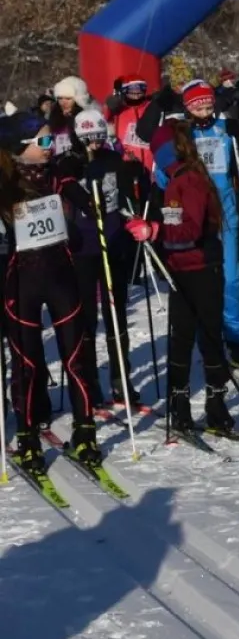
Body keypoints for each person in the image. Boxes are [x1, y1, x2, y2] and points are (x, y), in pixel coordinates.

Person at [3, 115, 103, 470]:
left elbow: (75, 188)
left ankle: (86, 432)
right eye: (42, 143)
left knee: (77, 357)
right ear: (22, 147)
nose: (50, 149)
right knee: (27, 363)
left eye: (51, 142)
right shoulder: (7, 183)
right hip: (22, 280)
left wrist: (86, 205)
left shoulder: (57, 174)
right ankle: (28, 437)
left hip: (61, 275)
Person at [129, 122, 235, 433]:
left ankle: (216, 404)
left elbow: (188, 230)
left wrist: (155, 230)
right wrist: (152, 228)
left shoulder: (187, 180)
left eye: (155, 153)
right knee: (182, 338)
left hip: (201, 268)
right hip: (182, 269)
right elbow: (177, 224)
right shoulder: (177, 180)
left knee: (207, 337)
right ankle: (180, 405)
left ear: (165, 152)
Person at [73, 107, 148, 411]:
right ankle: (88, 381)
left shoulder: (113, 161)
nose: (94, 144)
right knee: (87, 318)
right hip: (83, 249)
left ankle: (121, 379)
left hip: (112, 243)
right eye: (88, 139)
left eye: (98, 137)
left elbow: (131, 195)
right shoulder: (71, 165)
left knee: (116, 315)